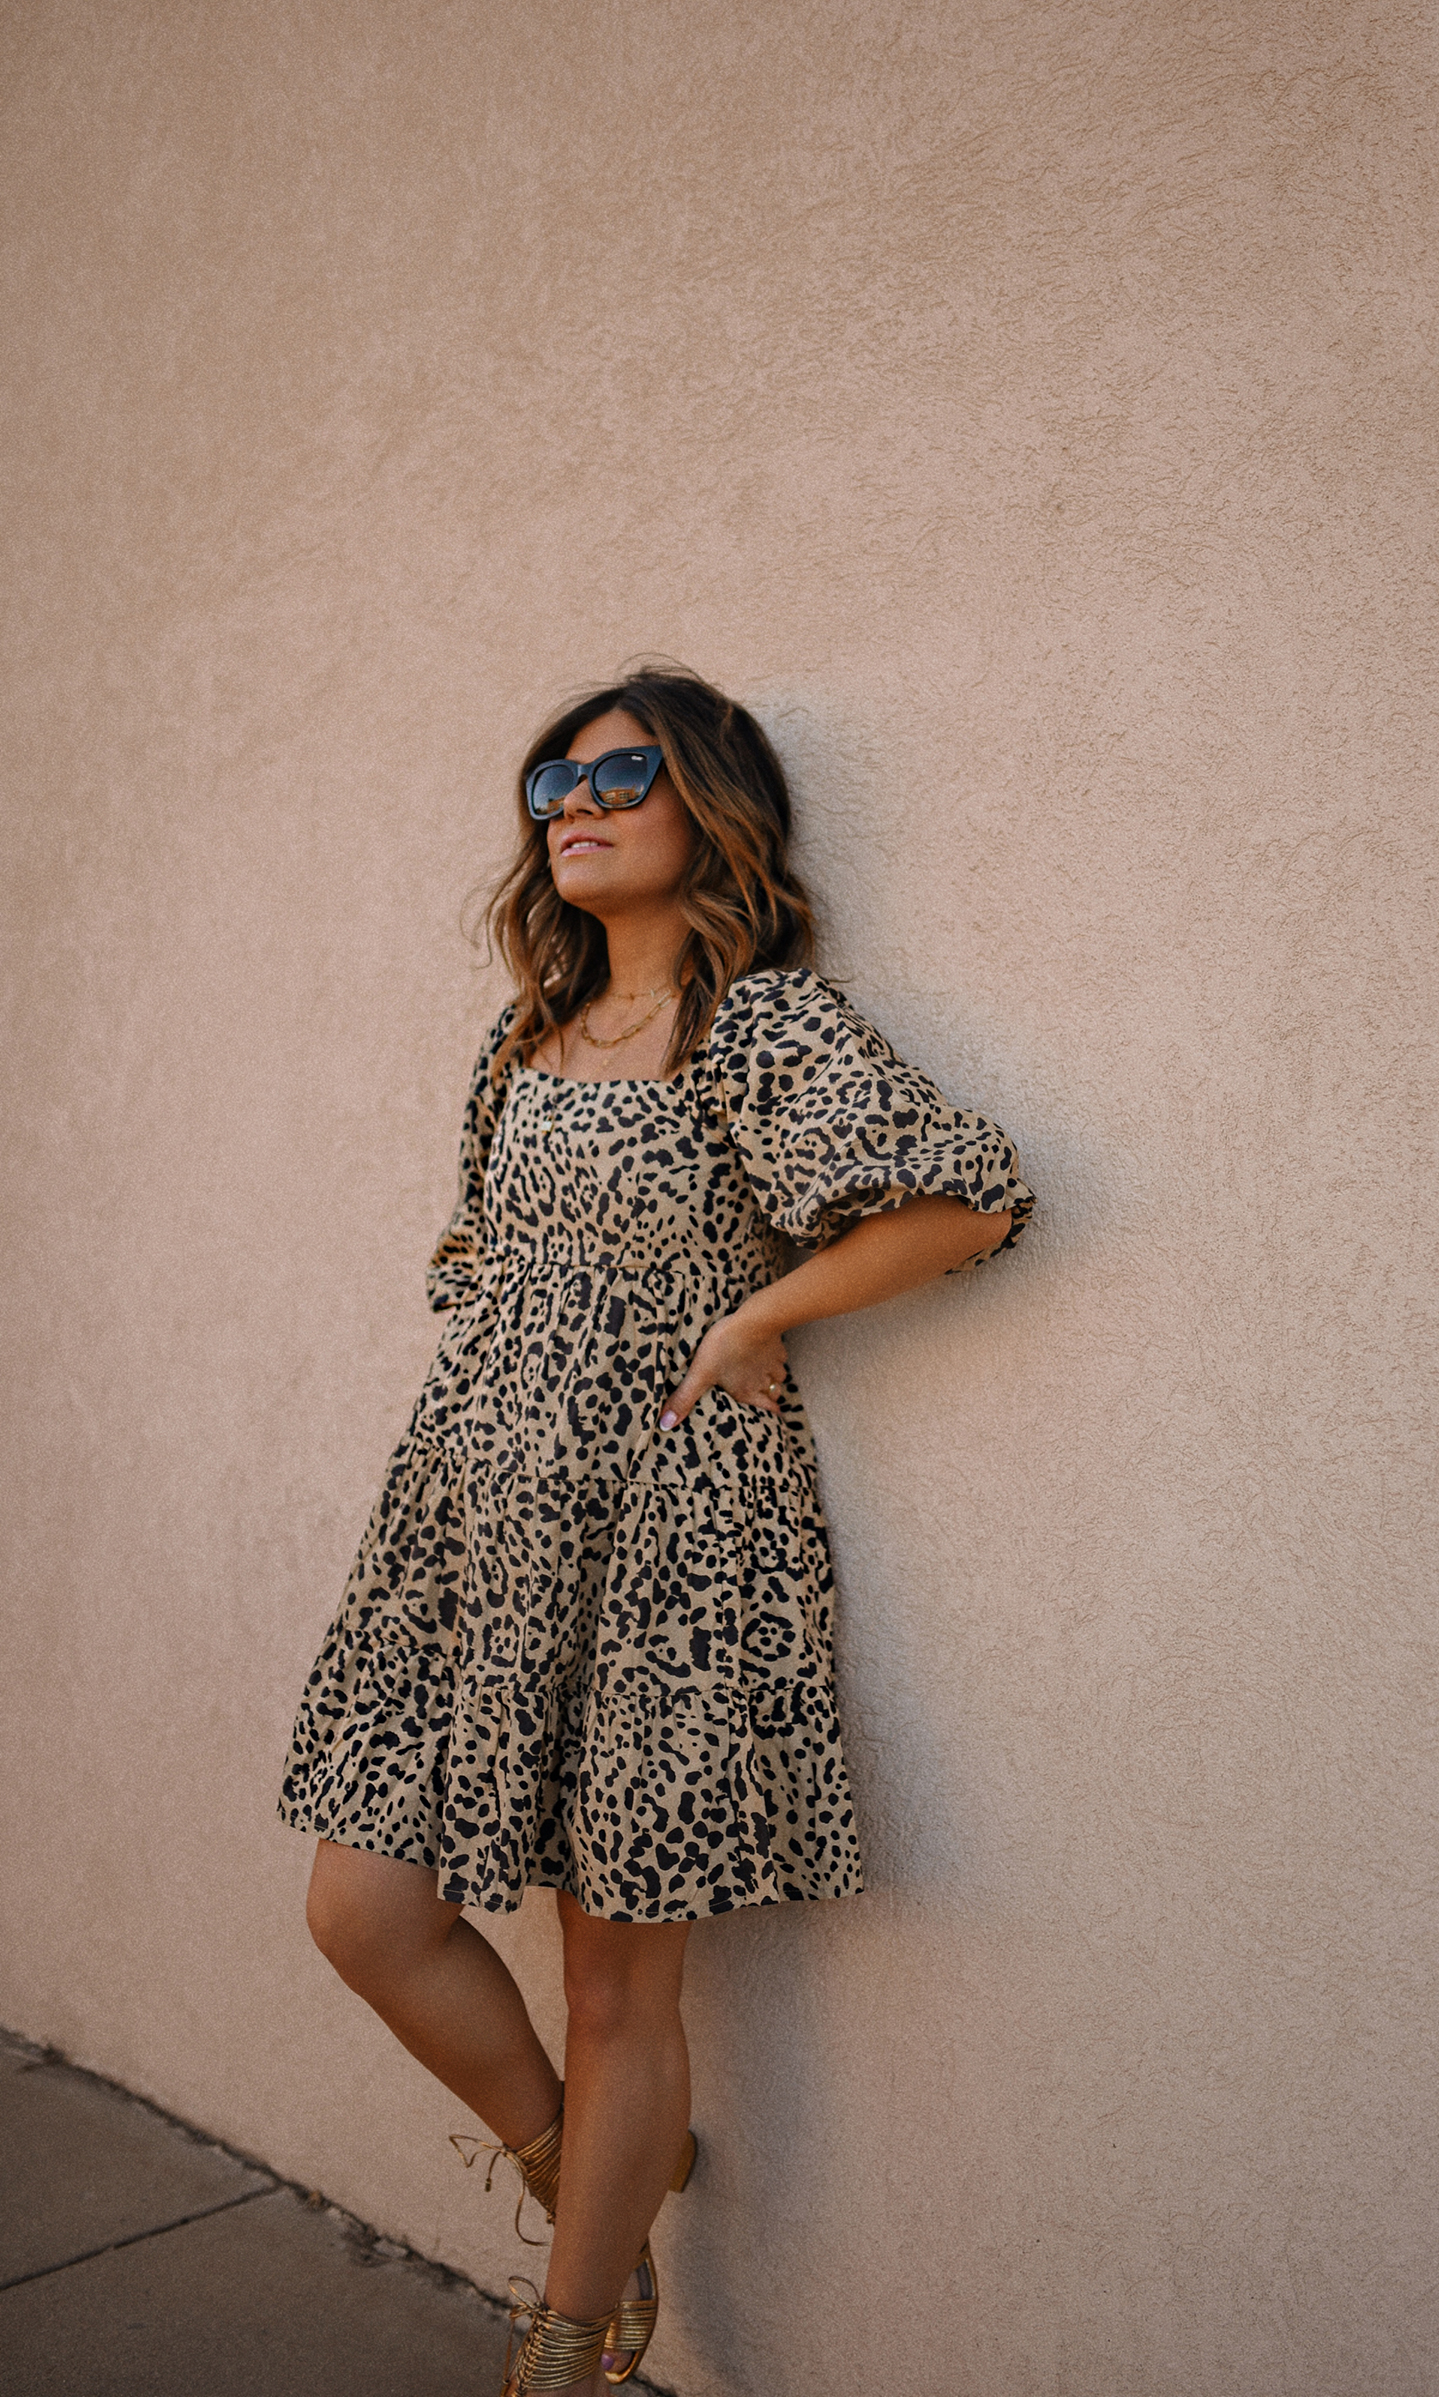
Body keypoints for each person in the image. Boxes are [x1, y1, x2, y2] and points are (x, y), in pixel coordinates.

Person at [279, 667, 1033, 2394]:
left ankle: (578, 2329)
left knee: (622, 1987)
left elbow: (971, 1194)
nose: (577, 801)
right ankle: (589, 2176)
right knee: (363, 1909)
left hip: (674, 1539)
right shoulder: (524, 1032)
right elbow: (489, 1267)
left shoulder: (756, 1025)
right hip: (472, 1522)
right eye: (552, 781)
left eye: (623, 769)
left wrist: (755, 1319)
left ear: (711, 798)